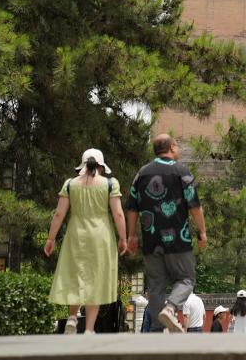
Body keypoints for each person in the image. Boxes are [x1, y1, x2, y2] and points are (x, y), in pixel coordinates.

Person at [125, 134, 208, 334]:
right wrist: (202, 231)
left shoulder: (141, 174)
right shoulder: (181, 172)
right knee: (186, 279)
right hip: (179, 239)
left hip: (151, 240)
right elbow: (194, 206)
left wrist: (132, 235)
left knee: (155, 286)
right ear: (171, 147)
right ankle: (170, 308)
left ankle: (155, 332)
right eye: (177, 145)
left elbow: (132, 207)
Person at [45, 148, 127, 334]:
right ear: (100, 166)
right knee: (96, 279)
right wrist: (123, 238)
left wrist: (51, 238)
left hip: (76, 235)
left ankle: (72, 317)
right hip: (101, 236)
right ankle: (89, 329)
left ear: (82, 165)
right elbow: (118, 214)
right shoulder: (109, 184)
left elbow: (59, 214)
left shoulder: (70, 184)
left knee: (75, 274)